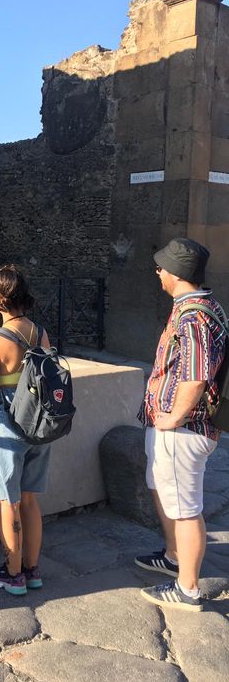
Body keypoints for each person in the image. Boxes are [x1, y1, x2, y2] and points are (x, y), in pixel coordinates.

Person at [136, 237, 227, 613]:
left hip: (183, 431)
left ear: (176, 273)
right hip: (177, 428)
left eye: (161, 267)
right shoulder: (203, 307)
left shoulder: (193, 317)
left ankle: (187, 588)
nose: (158, 272)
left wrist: (174, 418)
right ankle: (174, 555)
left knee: (187, 507)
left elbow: (195, 375)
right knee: (162, 488)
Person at [0, 264, 51, 595]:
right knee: (31, 500)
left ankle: (12, 573)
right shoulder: (40, 333)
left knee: (10, 502)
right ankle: (32, 570)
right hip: (39, 426)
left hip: (7, 425)